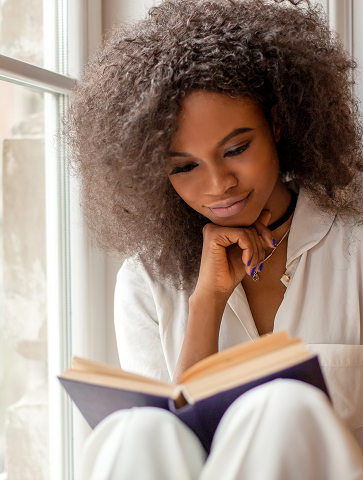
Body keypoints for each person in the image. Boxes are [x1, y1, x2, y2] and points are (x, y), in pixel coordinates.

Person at [66, 0, 363, 478]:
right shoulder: (146, 282)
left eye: (237, 148)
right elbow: (169, 450)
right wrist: (206, 302)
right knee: (134, 431)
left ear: (278, 124)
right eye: (184, 167)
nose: (218, 184)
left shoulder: (355, 244)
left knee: (282, 407)